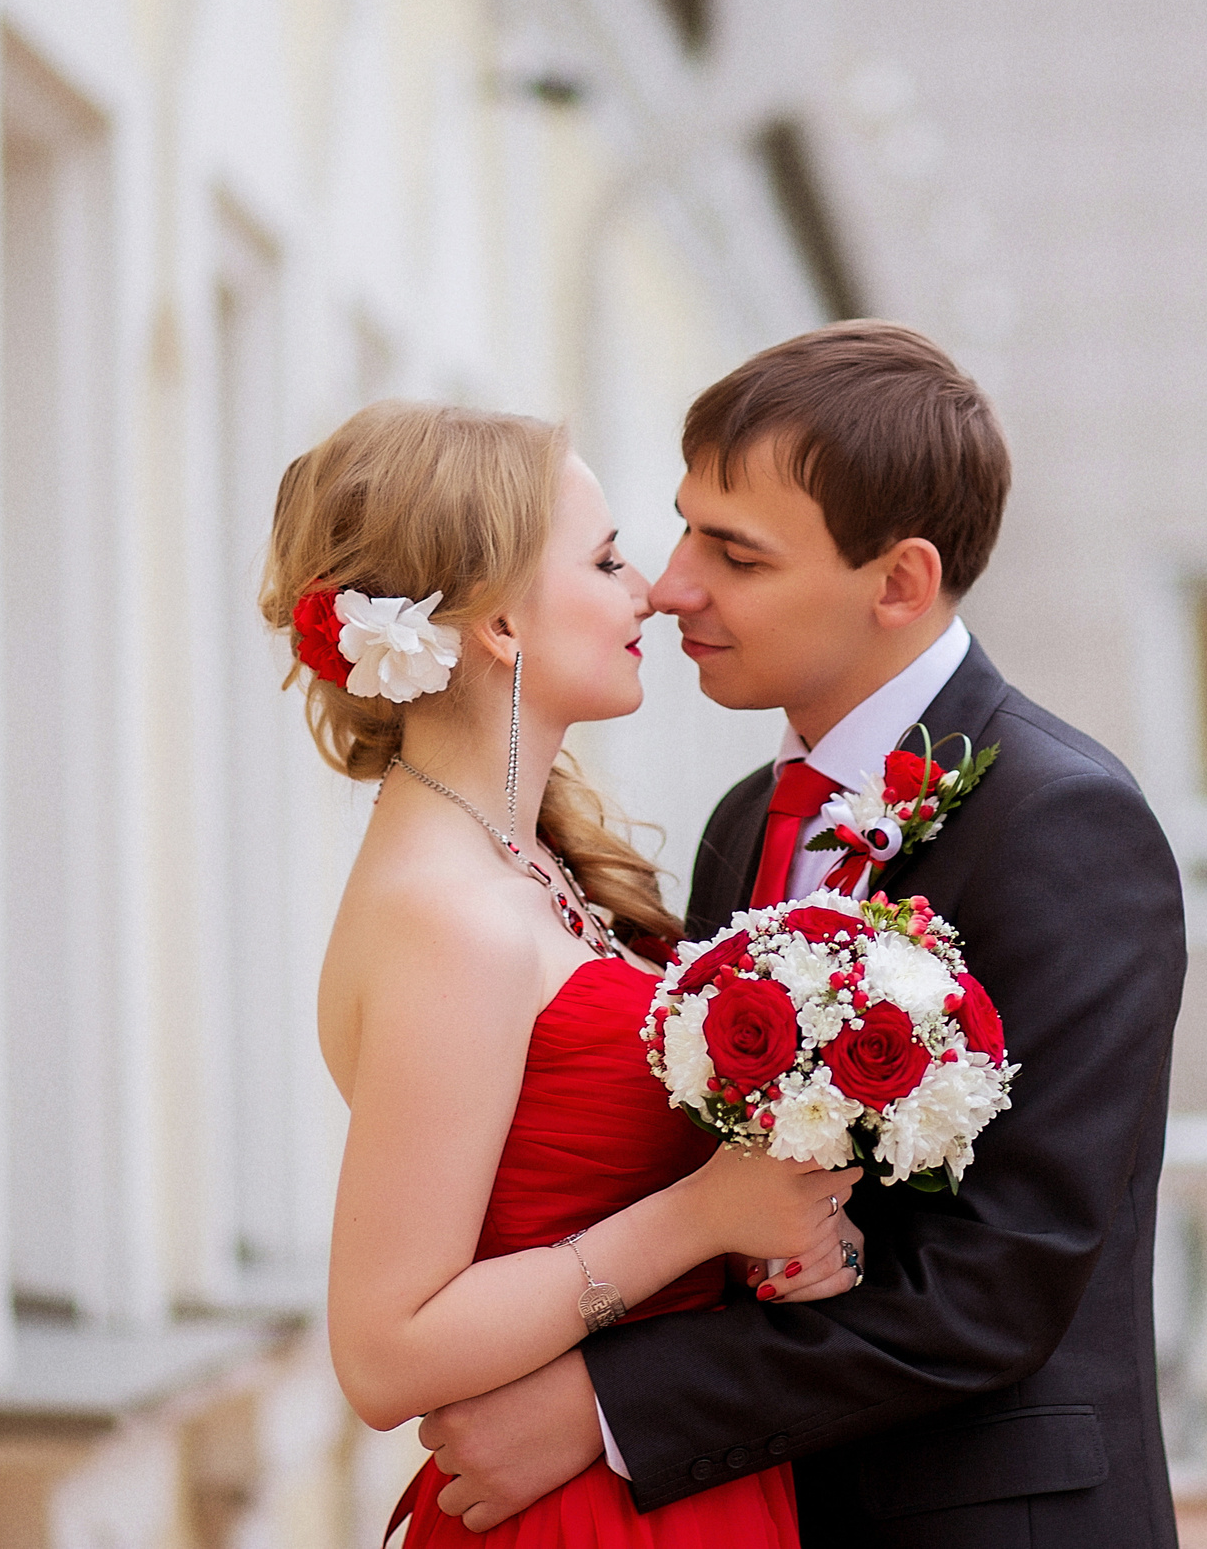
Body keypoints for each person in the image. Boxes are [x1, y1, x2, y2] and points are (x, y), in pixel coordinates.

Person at [417, 322, 1188, 1546]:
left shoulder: (1061, 823)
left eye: (735, 553)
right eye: (679, 529)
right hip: (754, 1510)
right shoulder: (744, 824)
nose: (670, 586)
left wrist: (600, 1408)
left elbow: (998, 1283)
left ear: (897, 583)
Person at [263, 401, 867, 1548]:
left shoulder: (522, 864)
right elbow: (385, 1351)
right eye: (604, 559)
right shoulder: (454, 918)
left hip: (668, 1476)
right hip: (579, 1514)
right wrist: (702, 1217)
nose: (648, 590)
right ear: (493, 621)